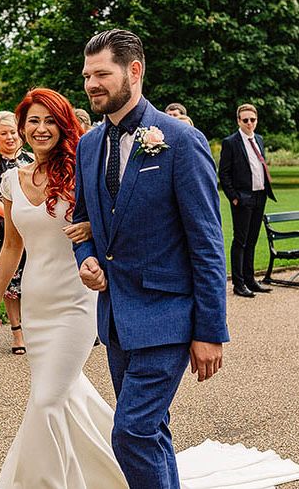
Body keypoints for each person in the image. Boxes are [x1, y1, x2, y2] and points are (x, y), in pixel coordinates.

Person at [74, 29, 228, 488]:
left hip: (168, 316)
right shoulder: (88, 145)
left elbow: (207, 242)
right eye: (86, 75)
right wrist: (86, 257)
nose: (91, 84)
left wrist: (210, 331)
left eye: (102, 73)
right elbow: (83, 220)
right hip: (117, 320)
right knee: (153, 430)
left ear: (134, 70)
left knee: (131, 432)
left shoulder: (181, 141)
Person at [0, 88, 125, 488]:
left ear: (64, 126)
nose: (41, 129)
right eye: (33, 121)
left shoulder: (83, 171)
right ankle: (117, 467)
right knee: (64, 394)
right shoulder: (12, 179)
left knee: (46, 399)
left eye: (50, 121)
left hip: (76, 301)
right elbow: (12, 245)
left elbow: (119, 223)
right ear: (22, 127)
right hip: (36, 303)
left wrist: (94, 227)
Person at [0, 110, 32, 354]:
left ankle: (35, 327)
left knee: (31, 279)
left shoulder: (32, 160)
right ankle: (17, 332)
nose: (9, 137)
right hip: (4, 230)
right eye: (4, 133)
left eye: (13, 132)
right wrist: (14, 216)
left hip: (32, 229)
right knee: (10, 280)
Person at [218, 103, 275, 297]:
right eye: (245, 120)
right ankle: (239, 284)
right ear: (238, 121)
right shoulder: (231, 142)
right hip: (242, 198)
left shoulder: (258, 139)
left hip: (260, 196)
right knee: (240, 241)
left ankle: (251, 280)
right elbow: (223, 174)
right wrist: (234, 198)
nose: (249, 123)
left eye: (253, 119)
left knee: (252, 241)